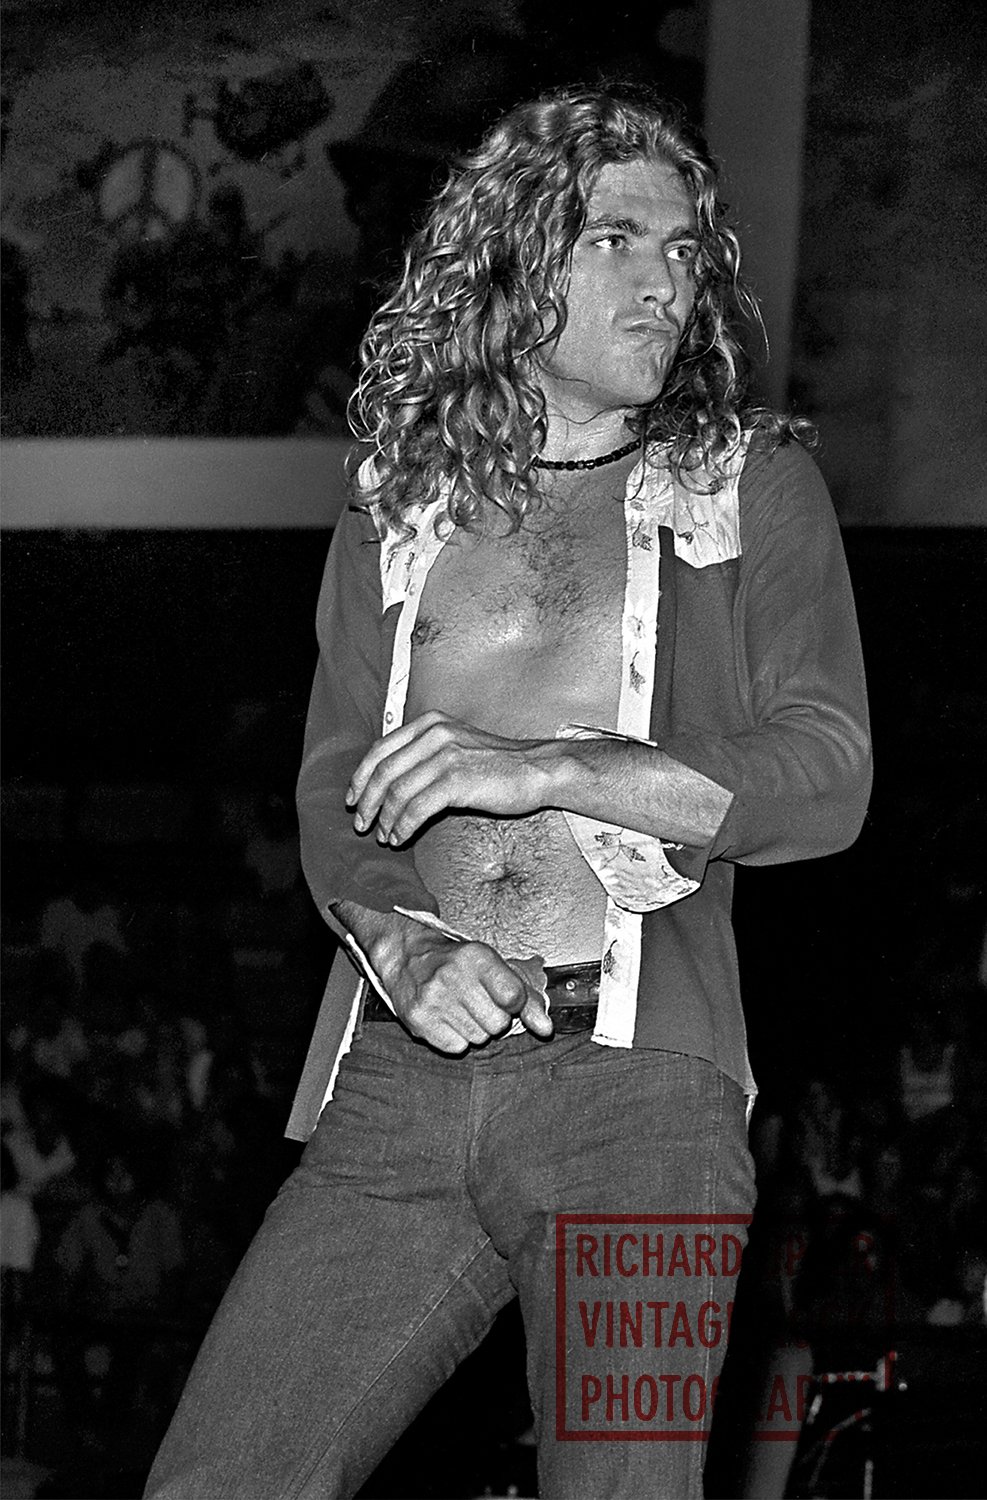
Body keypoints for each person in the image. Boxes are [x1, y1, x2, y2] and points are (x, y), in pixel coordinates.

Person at [146, 84, 871, 1499]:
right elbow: (333, 783)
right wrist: (403, 941)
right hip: (398, 1089)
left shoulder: (754, 487)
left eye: (685, 250)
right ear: (515, 260)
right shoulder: (396, 504)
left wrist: (551, 767)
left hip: (642, 1100)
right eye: (618, 239)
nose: (667, 280)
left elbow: (828, 777)